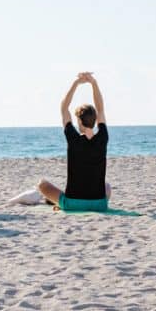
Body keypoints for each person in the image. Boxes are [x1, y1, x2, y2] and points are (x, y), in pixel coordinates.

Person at [37, 72, 112, 212]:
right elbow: (101, 109)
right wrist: (94, 83)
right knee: (107, 187)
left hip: (73, 204)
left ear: (78, 121)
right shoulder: (103, 137)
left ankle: (59, 203)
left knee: (42, 184)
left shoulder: (73, 139)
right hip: (100, 204)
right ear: (95, 120)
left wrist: (76, 83)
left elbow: (64, 108)